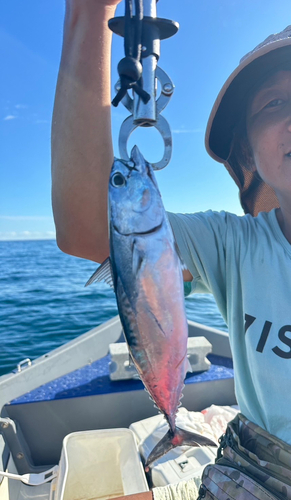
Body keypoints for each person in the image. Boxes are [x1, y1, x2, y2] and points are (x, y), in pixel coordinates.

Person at [51, 1, 291, 498]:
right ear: (248, 152)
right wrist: (87, 15)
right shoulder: (235, 244)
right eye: (274, 103)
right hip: (256, 469)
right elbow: (87, 228)